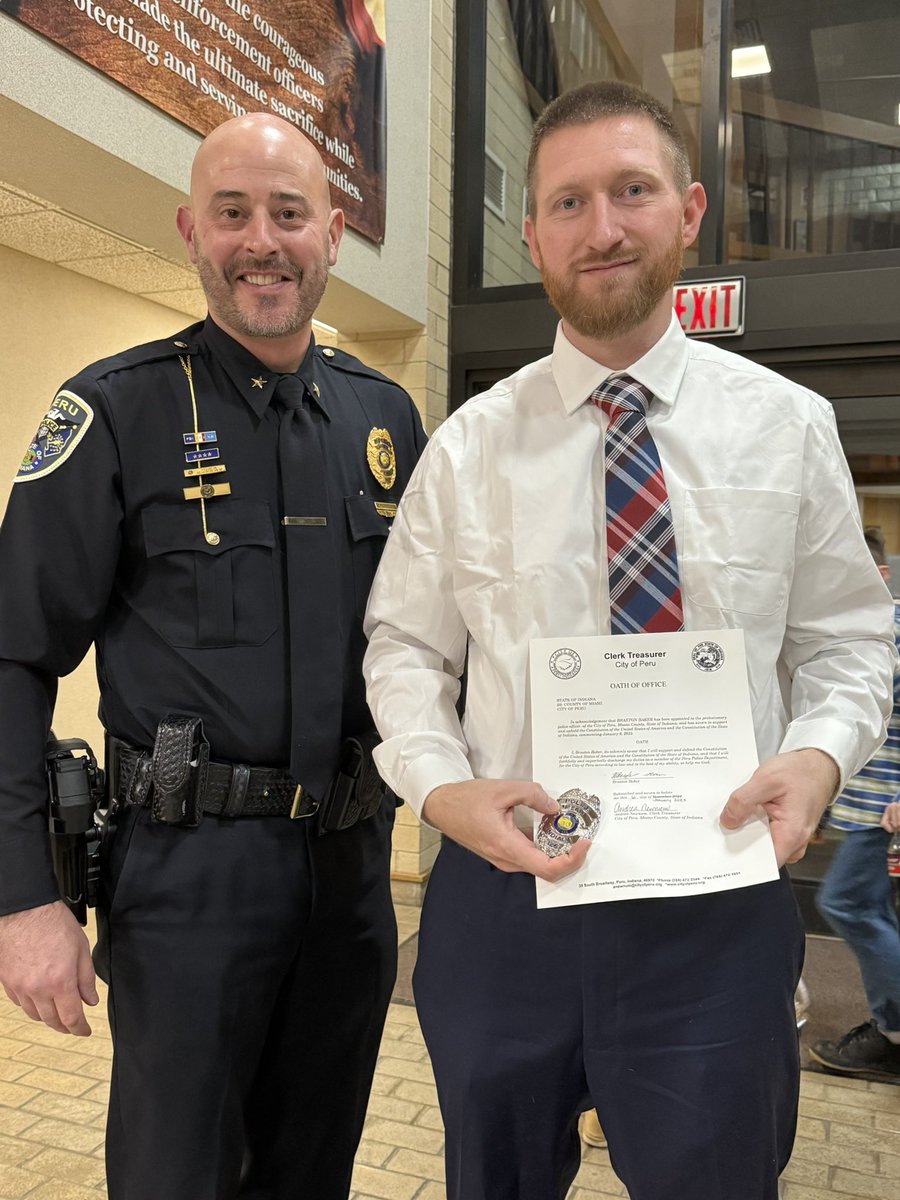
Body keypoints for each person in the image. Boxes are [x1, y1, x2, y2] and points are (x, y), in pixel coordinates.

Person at [362, 82, 896, 1200]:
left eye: (632, 191)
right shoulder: (464, 449)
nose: (601, 228)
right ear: (534, 233)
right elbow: (405, 650)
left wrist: (822, 753)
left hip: (714, 908)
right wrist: (439, 790)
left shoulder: (789, 427)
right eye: (569, 201)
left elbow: (850, 638)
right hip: (504, 901)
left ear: (690, 209)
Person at [0, 112, 426, 1200]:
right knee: (173, 1173)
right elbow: (11, 657)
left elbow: (434, 642)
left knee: (312, 1168)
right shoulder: (114, 411)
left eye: (289, 213)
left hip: (350, 874)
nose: (261, 240)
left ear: (334, 233)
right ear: (191, 229)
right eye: (232, 212)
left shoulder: (386, 422)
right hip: (187, 878)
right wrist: (21, 900)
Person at [809, 527, 900, 1080]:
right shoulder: (849, 631)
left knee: (849, 904)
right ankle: (887, 1027)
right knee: (864, 907)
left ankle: (891, 1033)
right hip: (863, 802)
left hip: (883, 810)